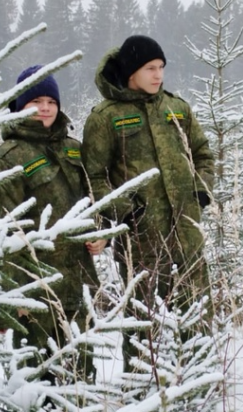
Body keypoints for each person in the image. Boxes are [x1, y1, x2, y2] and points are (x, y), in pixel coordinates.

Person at [82, 34, 215, 373]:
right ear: (130, 72)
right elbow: (94, 176)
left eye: (161, 68)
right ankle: (142, 392)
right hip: (142, 238)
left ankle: (200, 385)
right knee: (144, 321)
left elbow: (202, 153)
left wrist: (201, 190)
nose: (158, 75)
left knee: (197, 311)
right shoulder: (105, 117)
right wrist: (127, 212)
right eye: (150, 68)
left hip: (187, 233)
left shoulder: (176, 108)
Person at [0, 65, 106, 381]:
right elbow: (5, 230)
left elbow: (94, 199)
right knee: (39, 380)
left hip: (78, 284)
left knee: (83, 377)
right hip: (35, 290)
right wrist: (12, 297)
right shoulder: (8, 157)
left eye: (51, 101)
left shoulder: (74, 150)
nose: (45, 108)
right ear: (19, 106)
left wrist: (101, 233)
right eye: (35, 101)